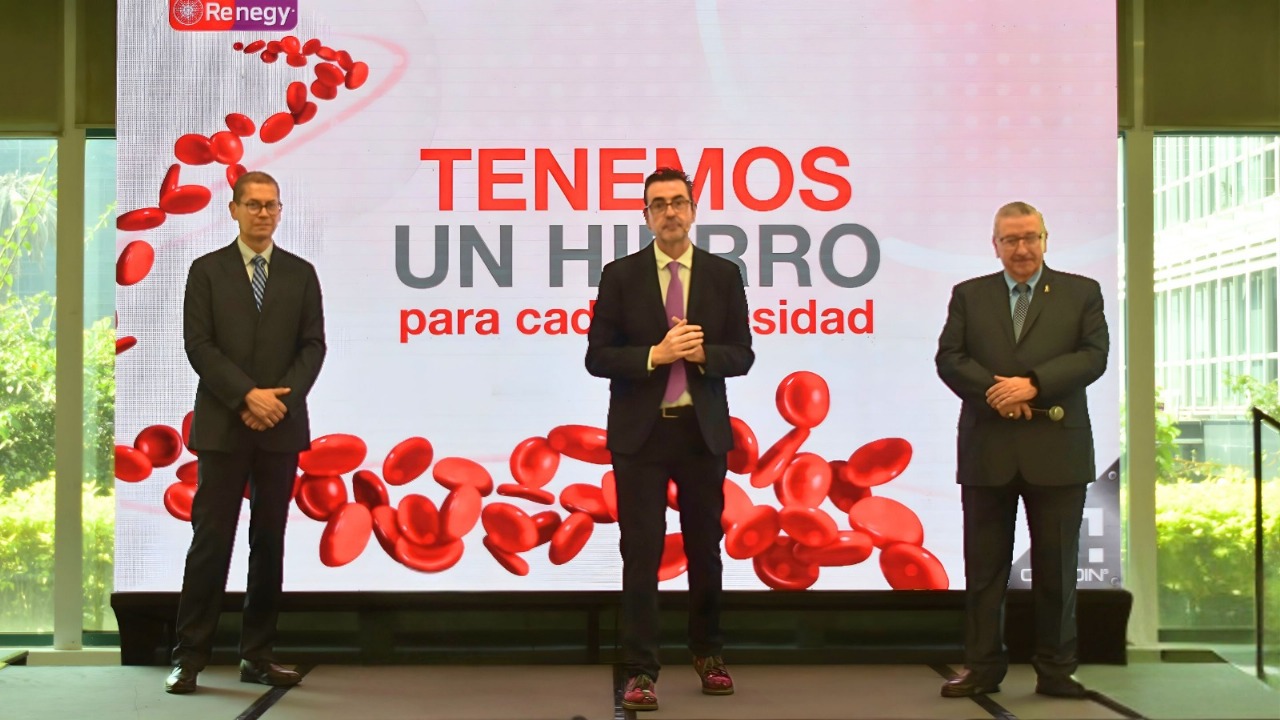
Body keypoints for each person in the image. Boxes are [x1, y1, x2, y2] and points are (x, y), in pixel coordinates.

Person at [586, 167, 754, 711]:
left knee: (705, 549)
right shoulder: (620, 275)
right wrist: (655, 356)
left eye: (678, 202)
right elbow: (597, 357)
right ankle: (640, 669)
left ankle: (709, 654)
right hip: (642, 435)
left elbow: (743, 353)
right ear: (646, 216)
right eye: (658, 204)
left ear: (693, 210)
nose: (670, 212)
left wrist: (705, 355)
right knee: (642, 552)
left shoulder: (723, 275)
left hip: (701, 433)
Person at [935, 201, 1108, 699]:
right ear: (995, 245)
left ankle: (1056, 669)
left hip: (1057, 451)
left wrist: (1032, 384)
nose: (1022, 248)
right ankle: (982, 668)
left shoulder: (1081, 292)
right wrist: (999, 393)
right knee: (984, 570)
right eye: (1010, 239)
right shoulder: (969, 295)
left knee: (1057, 569)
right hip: (988, 448)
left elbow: (1093, 356)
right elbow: (950, 358)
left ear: (1045, 239)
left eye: (1030, 237)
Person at [166, 171, 327, 694]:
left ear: (280, 212)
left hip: (280, 426)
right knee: (211, 542)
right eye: (253, 204)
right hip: (223, 426)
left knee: (269, 542)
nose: (262, 213)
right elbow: (199, 345)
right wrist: (246, 397)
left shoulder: (301, 274)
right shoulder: (206, 271)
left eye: (271, 205)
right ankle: (189, 657)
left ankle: (257, 655)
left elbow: (313, 346)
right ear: (233, 209)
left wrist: (278, 402)